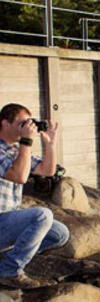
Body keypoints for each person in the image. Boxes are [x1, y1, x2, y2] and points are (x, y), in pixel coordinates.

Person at [0, 104, 69, 289]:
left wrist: (50, 145)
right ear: (5, 124)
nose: (27, 127)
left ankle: (8, 258)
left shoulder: (17, 150)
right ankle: (9, 271)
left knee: (59, 234)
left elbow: (46, 171)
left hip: (7, 222)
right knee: (42, 215)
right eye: (22, 123)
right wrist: (26, 143)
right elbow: (19, 176)